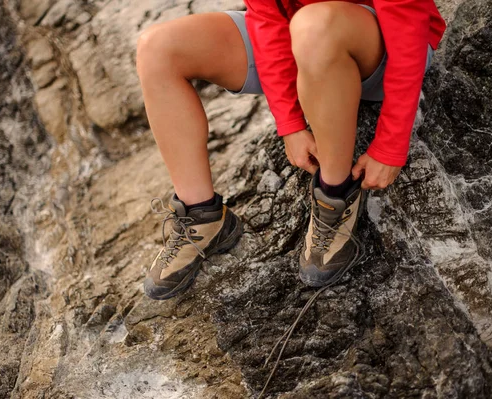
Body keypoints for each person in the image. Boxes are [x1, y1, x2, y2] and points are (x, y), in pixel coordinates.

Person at [136, 0, 446, 300]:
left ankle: (335, 193)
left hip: (382, 45)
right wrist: (290, 121)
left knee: (312, 26)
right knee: (158, 48)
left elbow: (407, 29)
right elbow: (266, 19)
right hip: (302, 41)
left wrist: (391, 142)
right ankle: (200, 215)